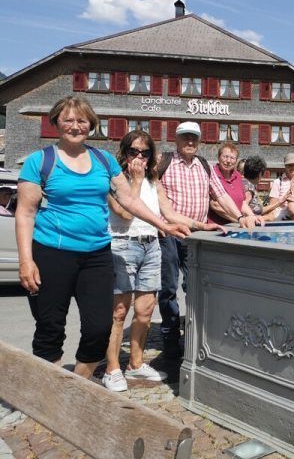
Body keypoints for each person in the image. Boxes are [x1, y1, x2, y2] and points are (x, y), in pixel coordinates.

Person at [15, 96, 190, 380]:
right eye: (68, 119)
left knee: (99, 329)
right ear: (57, 122)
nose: (75, 125)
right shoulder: (40, 161)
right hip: (52, 253)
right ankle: (47, 389)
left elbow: (129, 201)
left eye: (82, 120)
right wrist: (26, 260)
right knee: (50, 328)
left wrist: (164, 224)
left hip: (97, 255)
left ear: (91, 124)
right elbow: (25, 213)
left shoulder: (103, 159)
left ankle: (76, 386)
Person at [103, 130, 220, 392]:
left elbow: (168, 213)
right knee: (119, 312)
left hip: (151, 246)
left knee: (145, 311)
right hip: (122, 245)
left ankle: (135, 364)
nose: (140, 157)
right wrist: (134, 179)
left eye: (145, 153)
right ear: (125, 153)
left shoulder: (154, 180)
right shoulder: (115, 178)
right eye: (134, 151)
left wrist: (202, 225)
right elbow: (123, 210)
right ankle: (111, 369)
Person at [158, 121, 260, 358]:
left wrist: (240, 217)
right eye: (185, 138)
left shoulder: (204, 166)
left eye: (194, 138)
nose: (190, 142)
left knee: (193, 287)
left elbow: (221, 196)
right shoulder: (165, 162)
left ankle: (193, 338)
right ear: (177, 139)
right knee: (168, 288)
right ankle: (171, 343)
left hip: (196, 236)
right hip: (171, 235)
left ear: (200, 141)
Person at [208, 142, 259, 225]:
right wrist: (239, 219)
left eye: (232, 158)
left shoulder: (238, 176)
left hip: (236, 225)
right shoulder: (212, 174)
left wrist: (253, 217)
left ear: (236, 161)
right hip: (217, 227)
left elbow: (242, 203)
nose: (228, 161)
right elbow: (215, 205)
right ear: (218, 157)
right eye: (225, 157)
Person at [268, 153, 294, 220]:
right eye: (289, 165)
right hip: (281, 218)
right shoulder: (278, 182)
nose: (293, 167)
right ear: (285, 166)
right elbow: (271, 207)